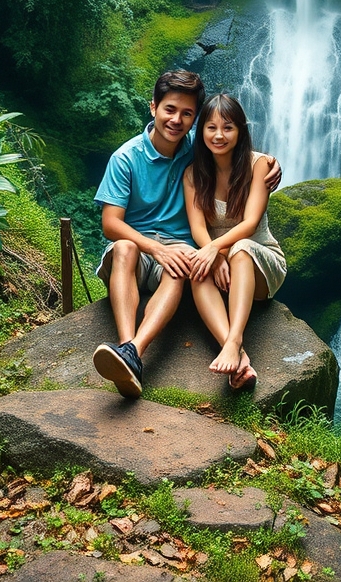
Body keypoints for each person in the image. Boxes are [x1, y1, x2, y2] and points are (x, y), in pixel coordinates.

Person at [93, 71, 279, 398]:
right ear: (153, 108)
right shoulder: (126, 157)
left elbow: (230, 140)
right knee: (123, 247)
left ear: (194, 120)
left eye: (187, 114)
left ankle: (135, 352)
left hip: (184, 250)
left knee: (182, 262)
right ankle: (128, 349)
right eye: (169, 109)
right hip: (138, 251)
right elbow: (110, 223)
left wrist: (272, 165)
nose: (176, 120)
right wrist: (156, 248)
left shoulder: (198, 148)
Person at [183, 94, 287, 391]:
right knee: (197, 267)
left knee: (241, 250)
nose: (219, 135)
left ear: (240, 130)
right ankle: (238, 358)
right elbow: (198, 227)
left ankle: (234, 340)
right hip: (222, 266)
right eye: (211, 127)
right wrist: (212, 255)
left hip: (260, 262)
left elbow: (250, 223)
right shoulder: (193, 175)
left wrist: (217, 249)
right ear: (201, 131)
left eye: (228, 127)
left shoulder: (260, 165)